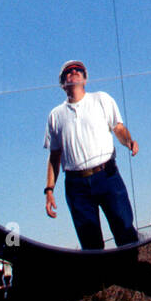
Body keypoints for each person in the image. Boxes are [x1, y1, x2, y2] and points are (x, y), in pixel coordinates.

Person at [44, 59, 139, 250]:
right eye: (69, 72)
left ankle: (133, 272)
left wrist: (129, 141)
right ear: (63, 83)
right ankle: (102, 279)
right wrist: (49, 190)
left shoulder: (101, 99)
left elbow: (118, 128)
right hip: (76, 185)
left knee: (124, 228)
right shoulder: (55, 115)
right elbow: (55, 156)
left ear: (85, 79)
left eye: (79, 70)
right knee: (90, 241)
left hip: (108, 176)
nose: (74, 72)